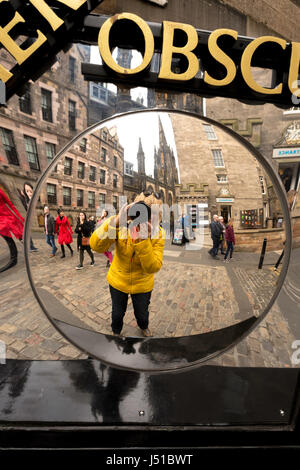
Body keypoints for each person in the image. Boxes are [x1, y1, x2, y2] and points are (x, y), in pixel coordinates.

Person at [89, 191, 165, 337]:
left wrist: (142, 240)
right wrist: (117, 221)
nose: (143, 215)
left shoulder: (157, 233)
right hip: (118, 280)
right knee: (117, 313)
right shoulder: (120, 224)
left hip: (142, 284)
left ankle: (144, 326)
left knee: (142, 314)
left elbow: (153, 267)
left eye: (150, 212)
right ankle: (116, 331)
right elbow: (96, 246)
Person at [0, 188, 24, 271]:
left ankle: (14, 258)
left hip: (6, 216)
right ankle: (13, 258)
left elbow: (9, 203)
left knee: (11, 235)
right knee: (7, 238)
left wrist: (18, 218)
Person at [17, 181, 38, 252]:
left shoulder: (30, 199)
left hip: (26, 218)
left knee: (28, 233)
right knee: (26, 234)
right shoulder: (23, 198)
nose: (29, 192)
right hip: (22, 218)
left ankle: (31, 246)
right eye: (27, 191)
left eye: (30, 191)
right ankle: (28, 247)